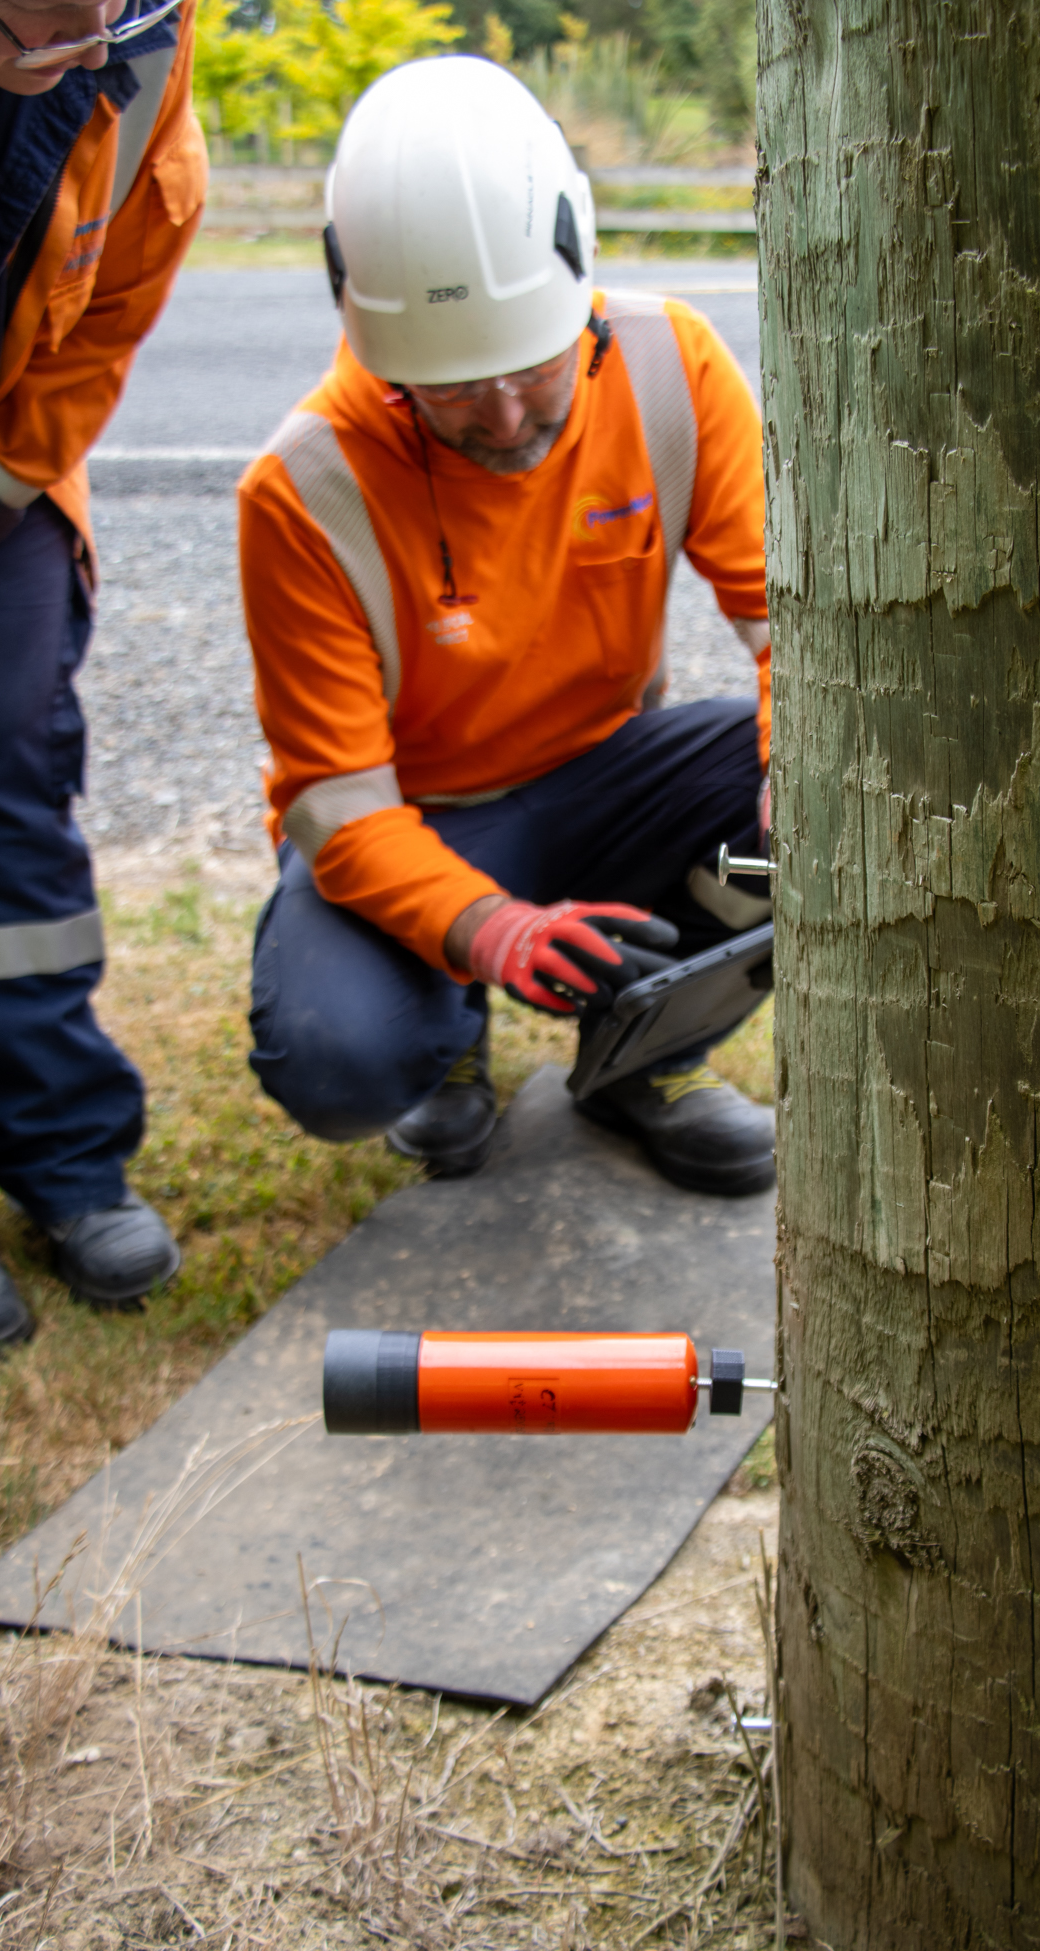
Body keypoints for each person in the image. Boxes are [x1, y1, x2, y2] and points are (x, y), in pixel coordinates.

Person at [240, 53, 776, 1199]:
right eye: (450, 390)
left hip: (604, 773)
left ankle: (647, 1055)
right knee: (338, 1057)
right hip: (418, 814)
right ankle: (446, 1027)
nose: (504, 416)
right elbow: (333, 796)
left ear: (578, 275)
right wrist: (489, 929)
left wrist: (794, 763)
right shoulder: (304, 488)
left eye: (532, 371)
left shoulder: (668, 368)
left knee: (817, 795)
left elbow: (797, 630)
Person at [0, 0, 206, 1349]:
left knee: (14, 780)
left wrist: (4, 484)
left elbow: (106, 313)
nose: (79, 39)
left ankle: (62, 1150)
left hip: (4, 470)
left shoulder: (152, 54)